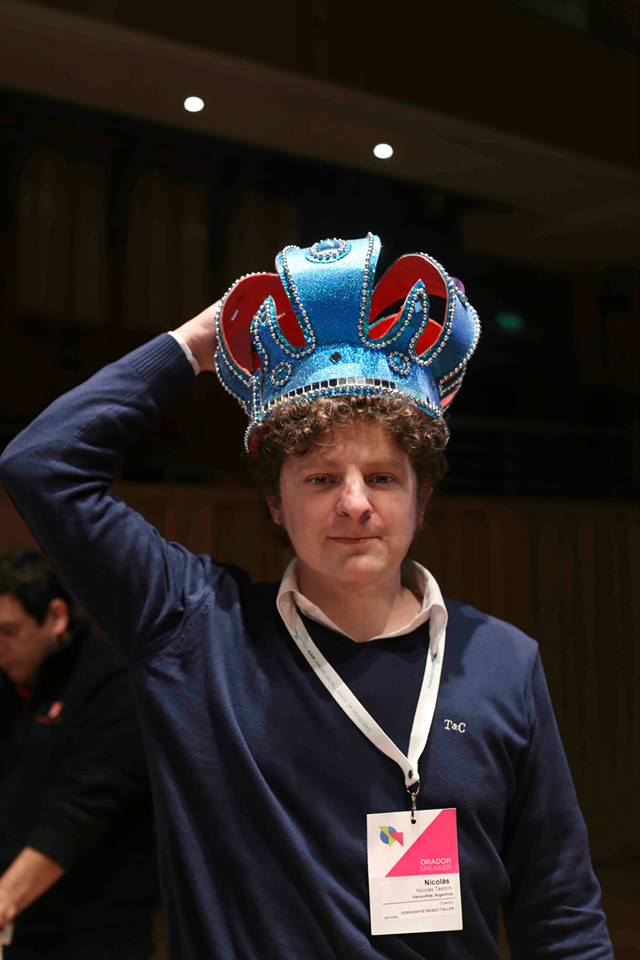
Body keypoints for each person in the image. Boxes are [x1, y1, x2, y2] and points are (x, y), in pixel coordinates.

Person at [0, 234, 612, 958]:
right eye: (321, 479)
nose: (354, 503)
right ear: (275, 503)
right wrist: (192, 347)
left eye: (382, 478)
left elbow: (561, 912)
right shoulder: (195, 629)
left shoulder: (503, 663)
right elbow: (42, 466)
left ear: (422, 500)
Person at [0, 552, 158, 960]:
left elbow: (79, 813)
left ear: (55, 617)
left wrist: (5, 896)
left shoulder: (113, 684)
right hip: (22, 928)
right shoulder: (9, 685)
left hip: (96, 933)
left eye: (8, 631)